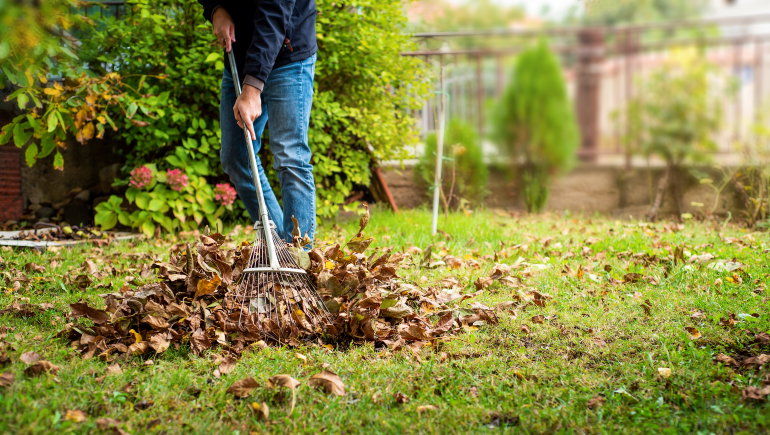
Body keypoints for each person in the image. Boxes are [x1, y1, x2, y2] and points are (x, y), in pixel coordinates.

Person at [198, 0, 318, 243]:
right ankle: (281, 247)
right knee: (236, 157)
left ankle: (299, 255)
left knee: (290, 156)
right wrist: (215, 8)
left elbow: (275, 10)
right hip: (240, 52)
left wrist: (252, 89)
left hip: (288, 51)